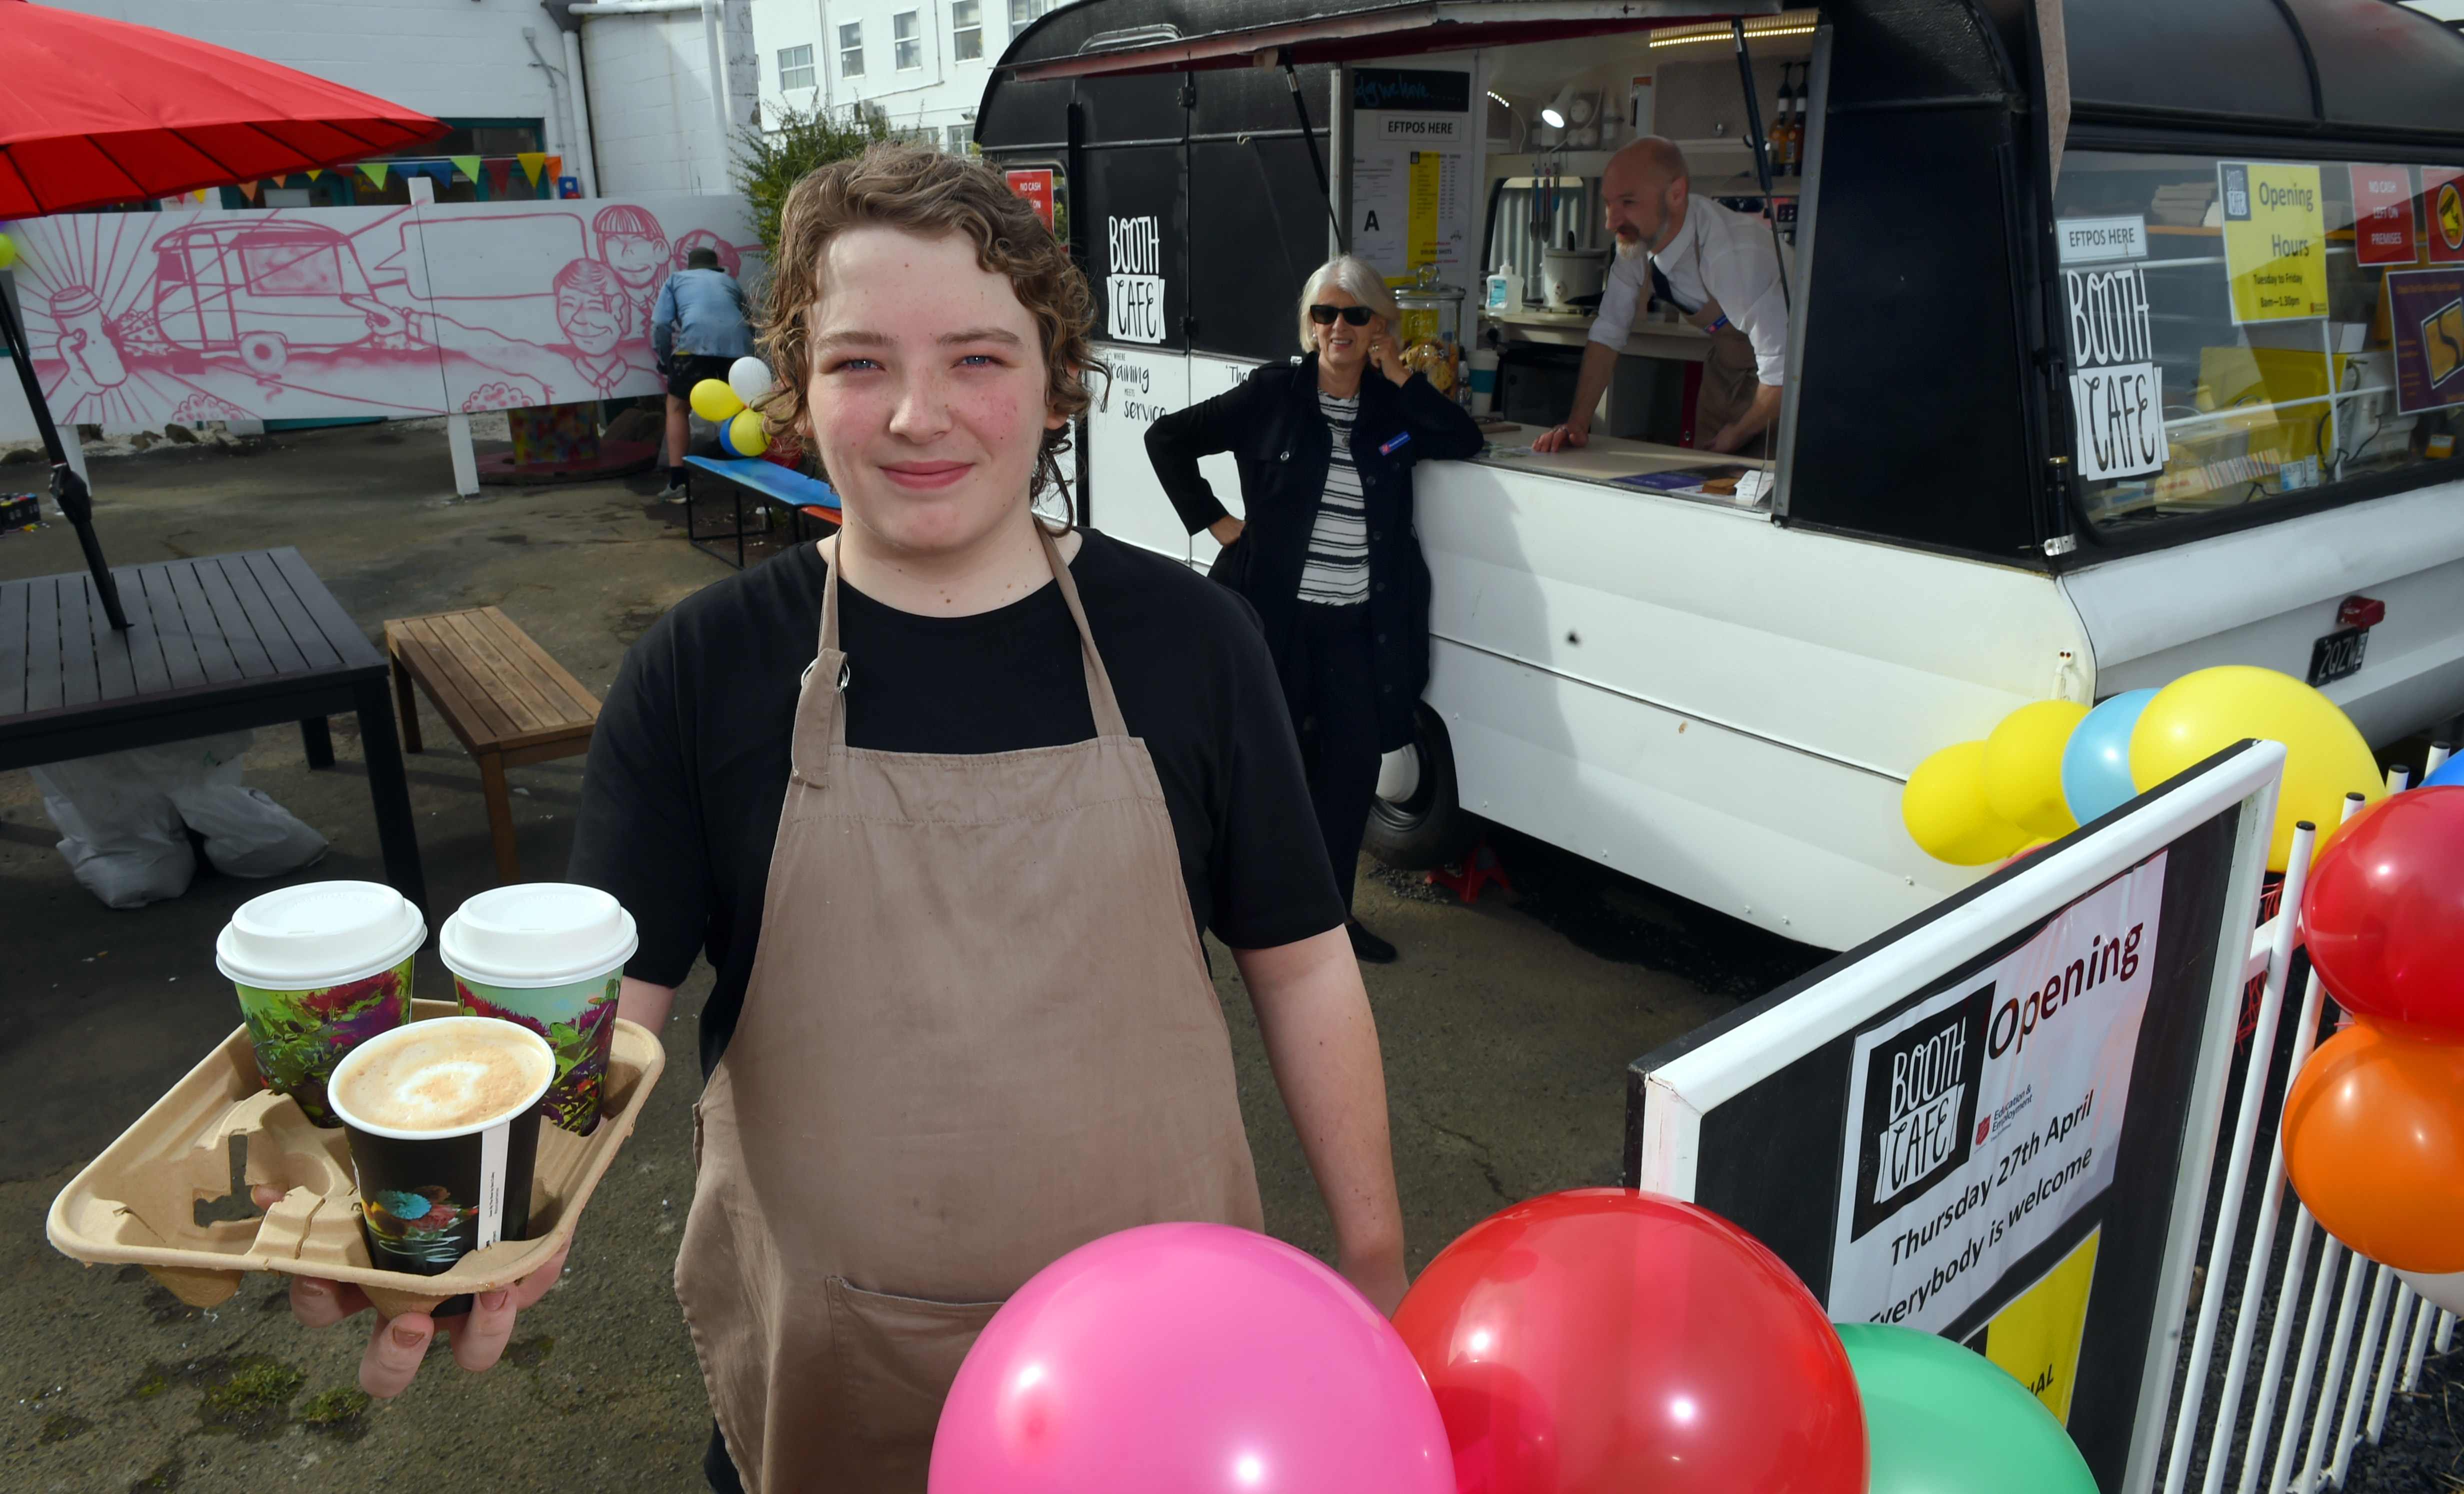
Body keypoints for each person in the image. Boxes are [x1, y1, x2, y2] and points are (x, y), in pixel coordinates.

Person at [266, 144, 1410, 1494]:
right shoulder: (701, 668)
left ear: (1058, 388)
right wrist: (494, 1222)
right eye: (863, 361)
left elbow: (1301, 954)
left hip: (1157, 1357)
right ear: (800, 391)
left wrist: (1375, 1263)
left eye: (979, 358)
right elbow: (612, 1010)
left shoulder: (1198, 645)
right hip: (828, 1347)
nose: (921, 414)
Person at [1144, 256, 1486, 964]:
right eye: (1326, 314)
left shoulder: (1396, 407)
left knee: (1352, 770)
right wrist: (1218, 523)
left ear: (1378, 328)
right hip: (1279, 620)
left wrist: (1401, 377)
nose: (1340, 327)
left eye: (1356, 314)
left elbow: (1463, 438)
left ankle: (1333, 919)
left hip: (1359, 627)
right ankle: (1251, 909)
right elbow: (1167, 439)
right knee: (1268, 769)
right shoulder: (1272, 394)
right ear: (1308, 325)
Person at [1532, 136, 1791, 457]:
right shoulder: (1637, 243)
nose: (1611, 222)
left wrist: (1738, 434)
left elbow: (1783, 370)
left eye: (1628, 203)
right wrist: (1576, 425)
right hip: (1725, 371)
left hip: (1792, 383)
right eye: (1608, 203)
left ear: (1676, 194)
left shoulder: (1731, 254)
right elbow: (1609, 330)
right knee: (1704, 485)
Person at [651, 244, 756, 499]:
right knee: (747, 409)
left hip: (695, 347)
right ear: (715, 268)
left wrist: (666, 361)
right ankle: (754, 483)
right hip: (738, 350)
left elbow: (660, 325)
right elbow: (750, 321)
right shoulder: (729, 282)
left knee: (677, 408)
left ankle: (678, 485)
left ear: (691, 267)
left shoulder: (677, 280)